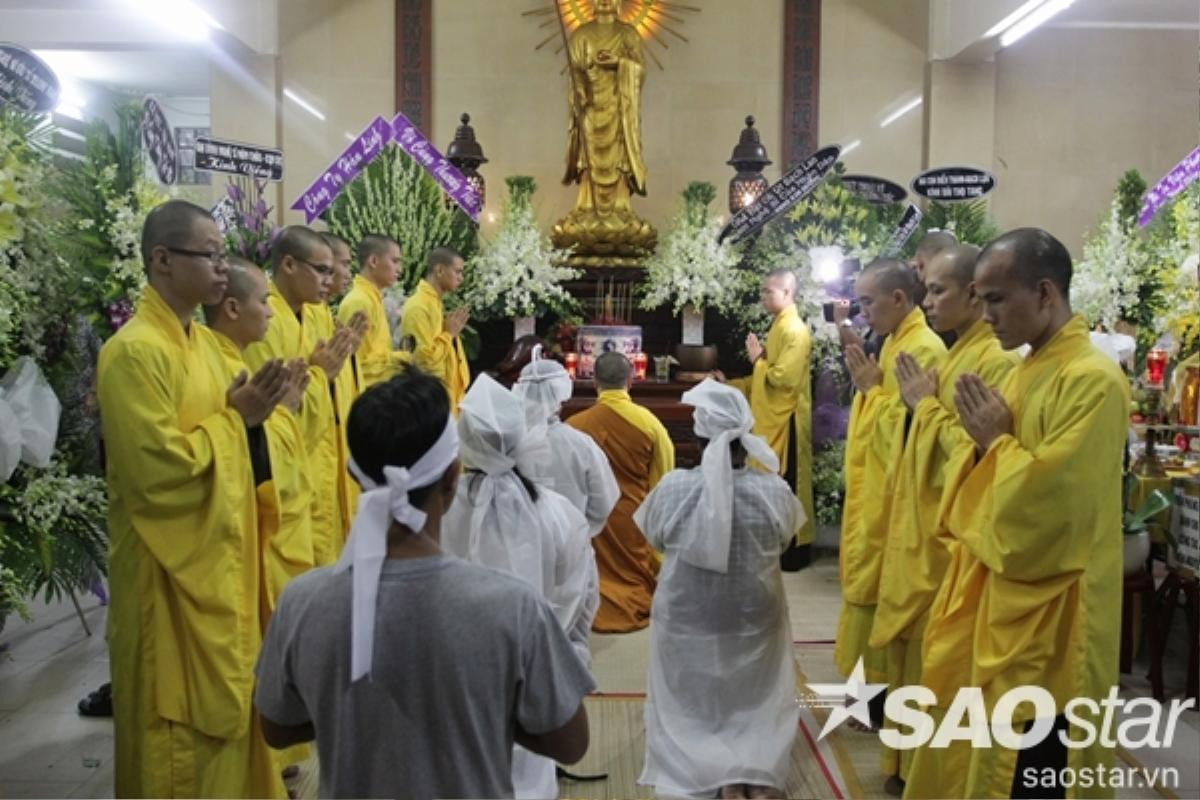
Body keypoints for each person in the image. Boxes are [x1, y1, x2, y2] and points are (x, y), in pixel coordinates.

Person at [254, 368, 594, 800]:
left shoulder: (302, 601)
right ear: (452, 477)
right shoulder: (514, 607)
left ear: (355, 475)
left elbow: (276, 727)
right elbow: (570, 743)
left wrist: (347, 710)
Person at [909, 229, 1129, 799]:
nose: (986, 316)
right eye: (981, 299)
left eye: (998, 299)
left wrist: (996, 445)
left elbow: (1053, 506)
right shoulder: (1023, 369)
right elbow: (975, 456)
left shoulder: (1094, 381)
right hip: (1002, 589)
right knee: (987, 756)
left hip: (1055, 609)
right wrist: (985, 445)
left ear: (1047, 292)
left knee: (1038, 765)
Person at [98, 199, 287, 797]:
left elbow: (237, 441)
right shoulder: (133, 353)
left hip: (218, 566)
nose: (223, 269)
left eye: (224, 255)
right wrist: (237, 424)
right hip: (168, 577)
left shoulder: (208, 347)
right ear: (162, 260)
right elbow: (159, 476)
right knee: (174, 737)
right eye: (210, 255)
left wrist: (252, 421)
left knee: (229, 712)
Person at [867, 245, 1018, 794]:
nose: (927, 303)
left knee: (942, 662)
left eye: (937, 291)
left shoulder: (994, 362)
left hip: (951, 535)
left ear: (974, 295)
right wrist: (899, 404)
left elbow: (978, 452)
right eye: (926, 290)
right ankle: (905, 767)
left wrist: (924, 410)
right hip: (921, 525)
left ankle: (933, 776)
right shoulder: (955, 355)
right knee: (915, 657)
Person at [635, 379, 801, 800]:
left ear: (696, 437)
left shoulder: (674, 487)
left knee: (693, 689)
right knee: (754, 690)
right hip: (754, 613)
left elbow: (653, 538)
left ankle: (704, 764)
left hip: (688, 614)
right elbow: (785, 542)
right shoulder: (774, 490)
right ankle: (748, 768)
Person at [442, 373, 598, 799]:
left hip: (451, 679)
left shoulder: (432, 513)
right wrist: (559, 652)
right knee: (527, 777)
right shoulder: (560, 514)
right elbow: (583, 600)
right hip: (534, 675)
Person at [202, 256, 315, 780]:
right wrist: (271, 416)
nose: (269, 312)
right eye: (261, 301)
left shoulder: (224, 358)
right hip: (221, 541)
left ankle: (272, 761)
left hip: (257, 524)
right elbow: (250, 454)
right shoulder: (146, 353)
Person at [836, 259, 945, 730]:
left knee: (881, 594)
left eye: (866, 302)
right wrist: (872, 390)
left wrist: (873, 392)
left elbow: (906, 430)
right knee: (865, 589)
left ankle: (878, 703)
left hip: (896, 497)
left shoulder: (921, 347)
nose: (862, 312)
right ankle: (867, 697)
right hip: (876, 487)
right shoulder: (896, 340)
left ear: (899, 299)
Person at [244, 226, 361, 564]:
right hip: (288, 464)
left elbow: (326, 380)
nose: (331, 278)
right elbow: (277, 405)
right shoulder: (266, 322)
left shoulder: (313, 314)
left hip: (322, 452)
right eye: (322, 270)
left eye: (333, 269)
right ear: (289, 265)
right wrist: (321, 374)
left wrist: (330, 371)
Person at [567, 351, 674, 632]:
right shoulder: (650, 424)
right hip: (634, 521)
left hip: (590, 524)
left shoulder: (574, 426)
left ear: (594, 382)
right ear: (631, 380)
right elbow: (663, 481)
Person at [723, 268, 815, 571]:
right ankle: (775, 545)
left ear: (787, 293)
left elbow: (783, 379)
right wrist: (741, 378)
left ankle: (793, 551)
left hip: (786, 416)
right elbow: (770, 371)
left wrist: (757, 362)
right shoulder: (780, 325)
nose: (763, 297)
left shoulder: (795, 330)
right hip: (777, 412)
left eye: (769, 292)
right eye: (763, 291)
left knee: (785, 480)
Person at [513, 344, 619, 536]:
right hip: (570, 545)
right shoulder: (581, 444)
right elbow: (604, 502)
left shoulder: (504, 442)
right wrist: (579, 531)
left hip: (516, 546)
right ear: (562, 398)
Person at [337, 234, 412, 387]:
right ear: (373, 261)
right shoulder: (358, 301)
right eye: (395, 261)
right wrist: (401, 358)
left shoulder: (373, 299)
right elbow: (358, 366)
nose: (399, 269)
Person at [401, 246, 470, 412]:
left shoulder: (434, 302)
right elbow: (424, 362)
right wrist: (449, 334)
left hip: (447, 396)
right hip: (432, 401)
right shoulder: (418, 307)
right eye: (457, 271)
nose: (461, 278)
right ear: (439, 270)